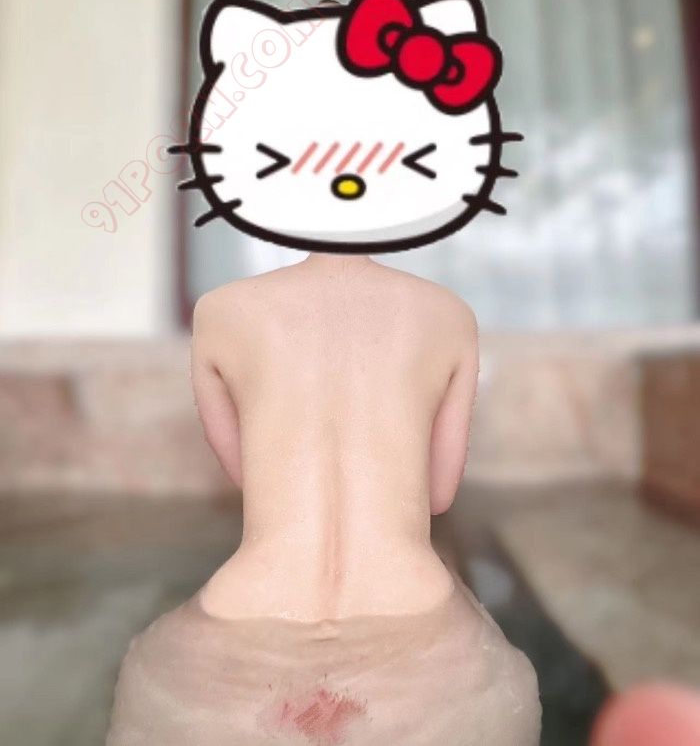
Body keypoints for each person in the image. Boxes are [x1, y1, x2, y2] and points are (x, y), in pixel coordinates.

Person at [106, 252, 541, 745]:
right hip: (413, 616)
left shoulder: (219, 311)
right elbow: (439, 495)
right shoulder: (449, 313)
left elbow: (248, 475)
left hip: (242, 620)